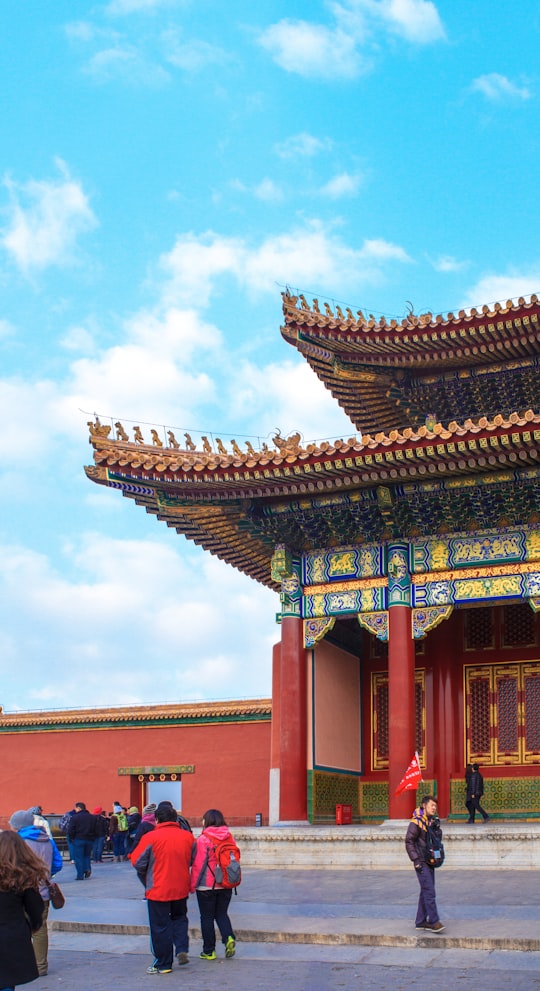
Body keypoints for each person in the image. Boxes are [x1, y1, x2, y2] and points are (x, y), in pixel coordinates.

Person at [129, 800, 195, 975]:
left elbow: (137, 861)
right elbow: (193, 859)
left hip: (158, 888)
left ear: (157, 820)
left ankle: (163, 963)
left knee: (160, 926)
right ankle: (181, 947)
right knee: (180, 918)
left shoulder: (150, 837)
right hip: (181, 887)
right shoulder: (187, 837)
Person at [9, 809, 63, 978]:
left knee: (19, 927)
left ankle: (22, 963)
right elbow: (57, 863)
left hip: (21, 890)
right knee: (40, 928)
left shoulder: (18, 841)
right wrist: (46, 875)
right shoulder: (46, 839)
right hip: (43, 891)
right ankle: (41, 965)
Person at [0, 830, 46, 991]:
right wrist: (33, 925)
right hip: (11, 934)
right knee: (6, 982)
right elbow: (36, 908)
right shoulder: (23, 876)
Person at [191, 808, 237, 960]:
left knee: (207, 917)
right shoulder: (229, 837)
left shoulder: (203, 839)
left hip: (207, 885)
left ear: (207, 821)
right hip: (226, 883)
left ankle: (209, 951)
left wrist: (192, 885)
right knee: (222, 914)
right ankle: (229, 937)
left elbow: (198, 865)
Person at [405, 795, 445, 933]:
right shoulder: (416, 822)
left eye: (435, 806)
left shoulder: (431, 821)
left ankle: (420, 921)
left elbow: (437, 840)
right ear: (424, 806)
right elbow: (409, 841)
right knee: (429, 891)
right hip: (421, 861)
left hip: (430, 860)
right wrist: (415, 860)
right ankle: (434, 922)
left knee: (425, 890)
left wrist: (436, 829)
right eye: (431, 805)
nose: (434, 808)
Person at [67, 802, 96, 880]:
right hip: (89, 839)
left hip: (78, 839)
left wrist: (71, 838)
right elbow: (95, 829)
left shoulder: (75, 817)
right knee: (87, 856)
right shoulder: (92, 817)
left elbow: (71, 830)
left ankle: (80, 875)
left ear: (79, 808)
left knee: (78, 857)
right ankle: (87, 869)